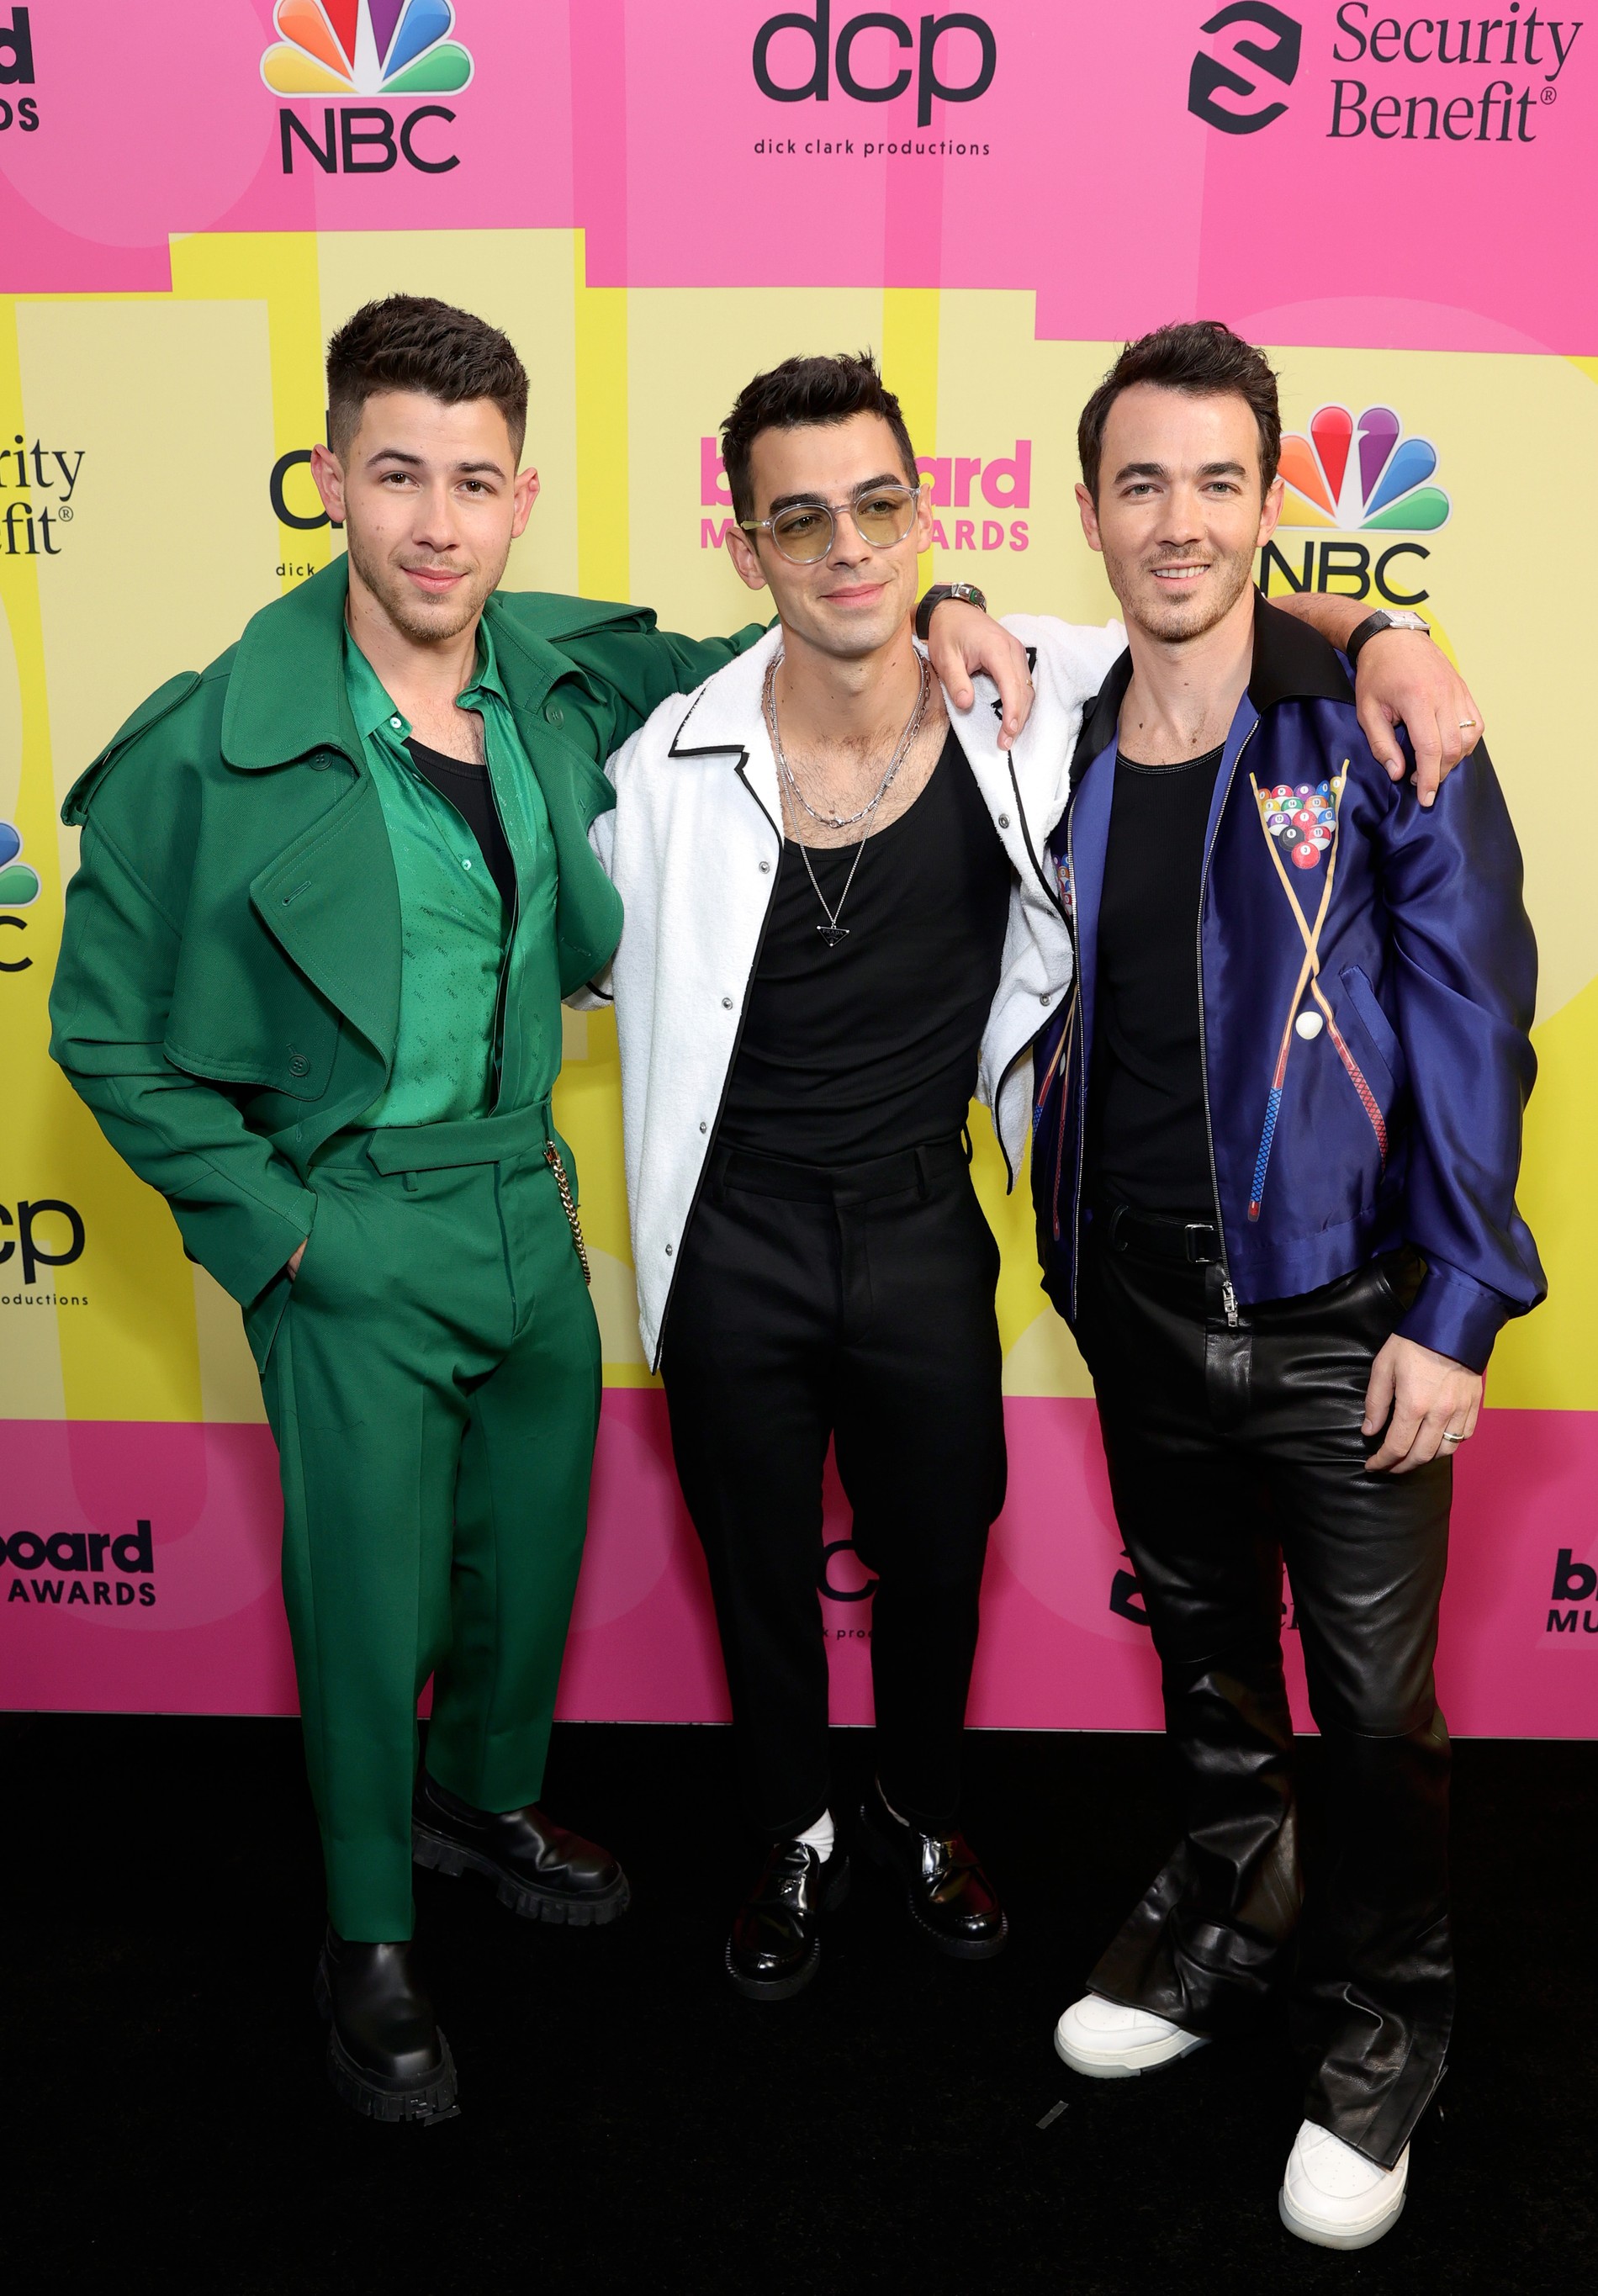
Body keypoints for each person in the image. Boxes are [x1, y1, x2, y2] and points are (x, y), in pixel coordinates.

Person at [44, 295, 1025, 2124]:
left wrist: (952, 598)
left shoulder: (568, 680)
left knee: (525, 1559)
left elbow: (808, 627)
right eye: (397, 474)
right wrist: (274, 1230)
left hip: (523, 1198)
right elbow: (99, 1029)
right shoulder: (207, 741)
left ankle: (481, 1801)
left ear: (522, 497)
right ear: (329, 479)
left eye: (475, 482)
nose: (438, 523)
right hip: (347, 1217)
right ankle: (367, 1935)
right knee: (367, 1602)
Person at [583, 351, 1480, 2003]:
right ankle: (793, 1831)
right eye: (801, 521)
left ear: (922, 513)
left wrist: (1382, 631)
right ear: (746, 545)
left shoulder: (1028, 698)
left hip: (925, 1221)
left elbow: (1219, 618)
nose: (848, 549)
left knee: (939, 1556)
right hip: (729, 1234)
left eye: (877, 508)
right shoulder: (663, 768)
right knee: (758, 1570)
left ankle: (921, 1814)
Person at [1024, 321, 1543, 2248]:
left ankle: (1388, 2020)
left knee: (1372, 1714)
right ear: (1089, 510)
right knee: (1207, 1667)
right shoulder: (1059, 725)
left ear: (1265, 505)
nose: (1175, 522)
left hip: (1346, 1316)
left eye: (1214, 483)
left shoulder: (1378, 727)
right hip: (1133, 1295)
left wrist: (1453, 1308)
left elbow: (1473, 1017)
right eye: (1137, 484)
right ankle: (1231, 1914)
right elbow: (906, 639)